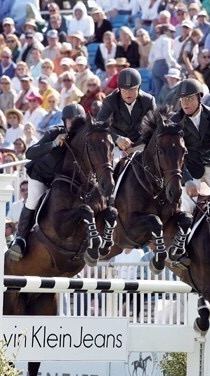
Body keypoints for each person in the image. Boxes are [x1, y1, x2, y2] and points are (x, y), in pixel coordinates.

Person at [8, 104, 87, 260]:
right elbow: (30, 153)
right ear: (65, 121)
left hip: (61, 181)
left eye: (78, 121)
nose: (74, 124)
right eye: (71, 121)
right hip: (40, 176)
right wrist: (53, 144)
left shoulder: (83, 139)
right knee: (33, 199)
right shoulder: (55, 133)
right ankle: (20, 239)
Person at [168, 78, 210, 261]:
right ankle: (180, 244)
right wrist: (187, 179)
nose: (185, 103)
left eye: (189, 98)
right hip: (189, 168)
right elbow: (175, 156)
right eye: (182, 99)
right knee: (185, 202)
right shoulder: (174, 121)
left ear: (199, 98)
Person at [96, 68, 156, 157]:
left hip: (140, 144)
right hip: (116, 145)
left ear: (139, 88)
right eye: (124, 90)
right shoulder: (110, 100)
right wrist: (116, 138)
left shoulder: (148, 101)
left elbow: (155, 126)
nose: (128, 93)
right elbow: (99, 124)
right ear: (119, 89)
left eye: (132, 89)